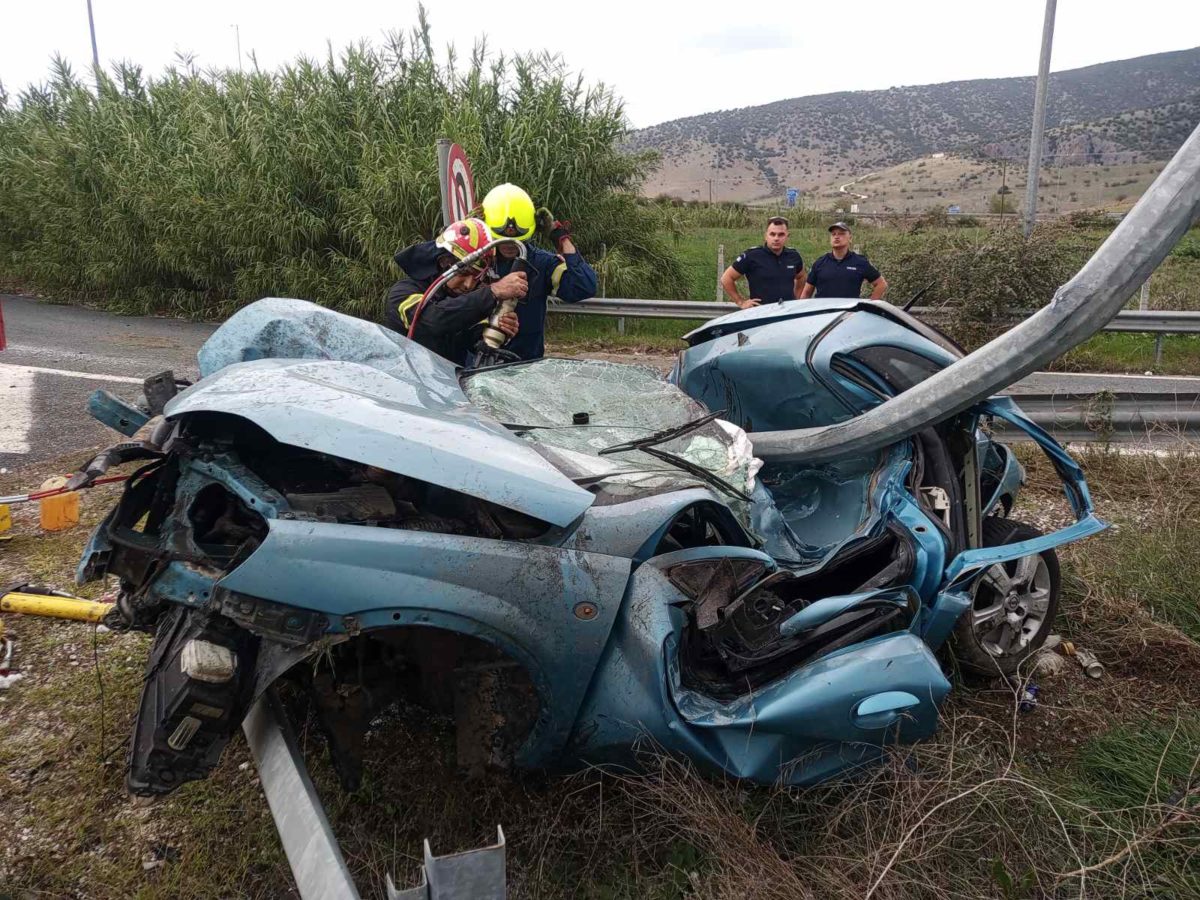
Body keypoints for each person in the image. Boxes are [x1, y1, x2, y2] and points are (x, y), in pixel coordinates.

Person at [384, 217, 528, 365]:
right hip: (406, 381)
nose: (469, 284)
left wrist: (498, 329)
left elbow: (472, 334)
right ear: (444, 263)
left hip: (449, 383)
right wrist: (492, 291)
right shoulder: (402, 293)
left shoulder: (466, 301)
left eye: (476, 277)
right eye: (464, 273)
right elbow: (433, 319)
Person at [480, 183, 598, 360]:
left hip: (523, 364)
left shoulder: (541, 263)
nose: (511, 245)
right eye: (502, 240)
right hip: (475, 358)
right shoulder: (477, 262)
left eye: (517, 240)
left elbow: (585, 286)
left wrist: (560, 237)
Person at [720, 217, 806, 308]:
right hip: (761, 314)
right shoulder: (752, 256)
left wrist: (795, 299)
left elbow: (801, 277)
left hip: (786, 313)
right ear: (766, 236)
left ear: (787, 236)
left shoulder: (793, 256)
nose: (776, 238)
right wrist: (741, 302)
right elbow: (726, 278)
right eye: (772, 234)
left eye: (781, 234)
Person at [800, 222, 888, 300]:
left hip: (848, 315)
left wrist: (868, 307)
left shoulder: (860, 262)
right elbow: (806, 293)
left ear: (850, 238)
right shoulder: (820, 263)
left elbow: (881, 284)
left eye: (841, 234)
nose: (836, 237)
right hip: (824, 315)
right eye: (833, 234)